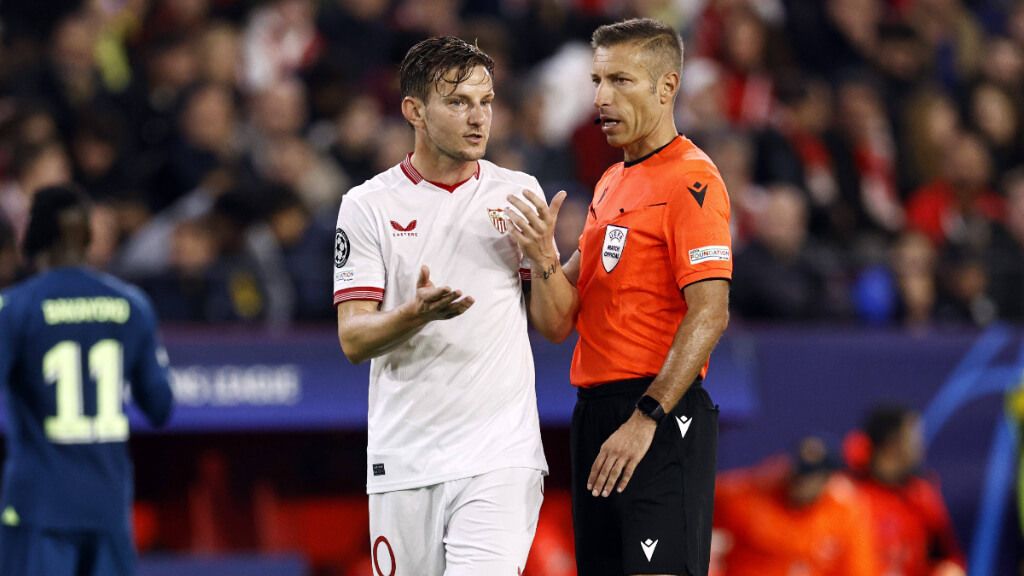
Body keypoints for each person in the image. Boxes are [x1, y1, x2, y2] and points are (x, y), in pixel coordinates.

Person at [507, 18, 732, 576]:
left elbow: (710, 313)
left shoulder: (693, 180)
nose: (601, 98)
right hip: (596, 415)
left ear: (666, 86)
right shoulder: (610, 182)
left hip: (657, 414)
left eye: (621, 81)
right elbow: (560, 323)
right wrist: (540, 257)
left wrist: (648, 416)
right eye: (597, 80)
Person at [333, 37, 548, 575]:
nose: (479, 118)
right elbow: (353, 339)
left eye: (487, 102)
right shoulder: (367, 206)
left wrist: (546, 258)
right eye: (458, 103)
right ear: (414, 111)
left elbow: (555, 322)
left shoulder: (519, 194)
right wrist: (415, 314)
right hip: (405, 457)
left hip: (499, 455)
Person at [0, 184, 174, 575]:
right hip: (107, 507)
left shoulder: (15, 308)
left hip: (38, 507)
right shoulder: (132, 305)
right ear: (88, 237)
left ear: (35, 236)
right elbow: (160, 407)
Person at [714, 437, 878, 576]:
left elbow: (859, 570)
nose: (802, 482)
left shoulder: (845, 513)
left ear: (828, 479)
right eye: (800, 471)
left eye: (812, 476)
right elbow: (698, 501)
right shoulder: (751, 497)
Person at [843, 406, 966, 576]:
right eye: (913, 440)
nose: (921, 448)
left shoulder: (922, 494)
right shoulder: (847, 494)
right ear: (892, 445)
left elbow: (947, 557)